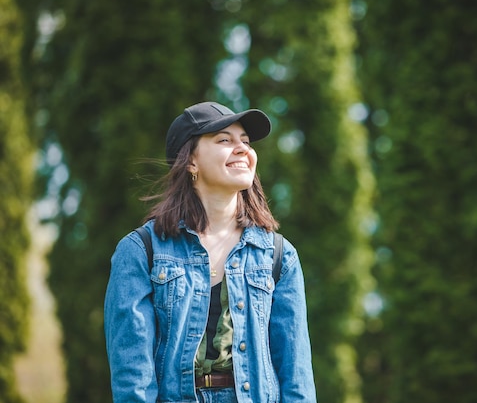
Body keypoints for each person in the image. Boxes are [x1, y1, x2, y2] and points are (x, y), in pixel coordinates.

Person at [104, 102, 317, 403]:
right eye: (224, 140)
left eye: (245, 141)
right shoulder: (141, 251)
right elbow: (133, 382)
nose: (242, 148)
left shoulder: (279, 256)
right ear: (190, 160)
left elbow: (296, 379)